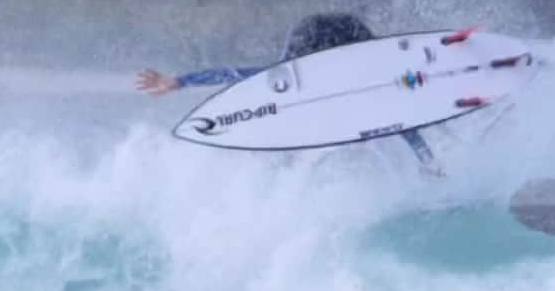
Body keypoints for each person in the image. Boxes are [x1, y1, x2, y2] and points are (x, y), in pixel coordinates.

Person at [136, 11, 440, 172]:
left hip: (348, 35)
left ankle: (417, 67)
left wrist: (180, 81)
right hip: (313, 34)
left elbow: (399, 119)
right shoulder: (300, 82)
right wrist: (179, 81)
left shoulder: (352, 84)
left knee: (378, 85)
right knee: (283, 79)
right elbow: (239, 75)